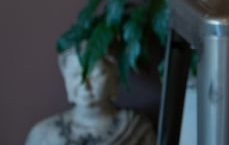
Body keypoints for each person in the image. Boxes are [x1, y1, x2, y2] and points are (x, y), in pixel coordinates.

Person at [25, 49, 153, 145]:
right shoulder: (43, 134)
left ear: (114, 76)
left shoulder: (137, 128)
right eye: (75, 75)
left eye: (95, 75)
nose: (85, 85)